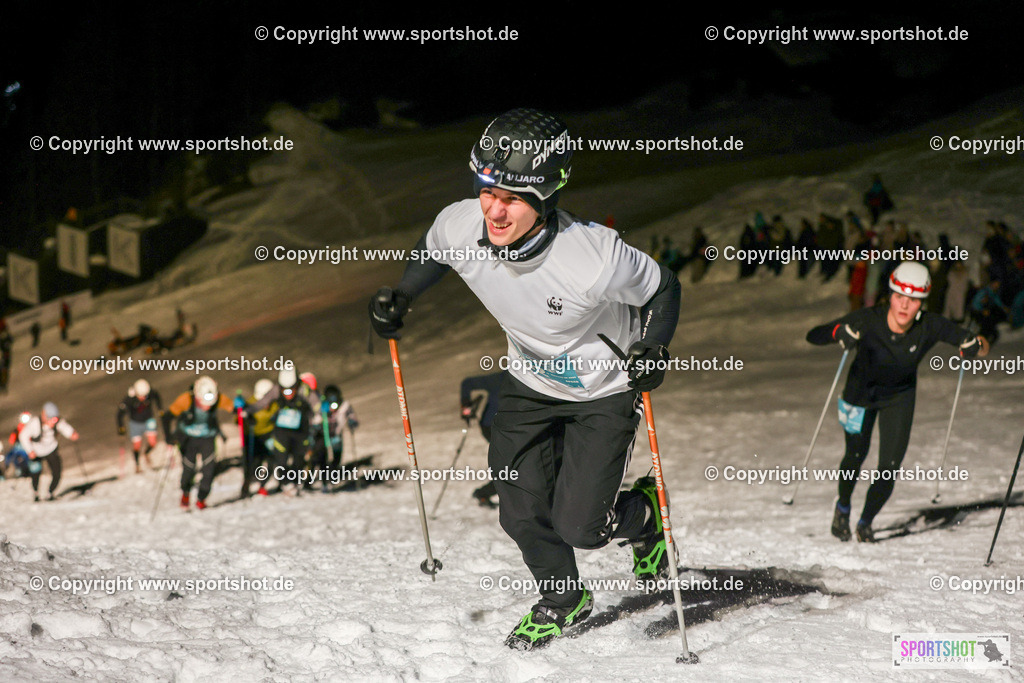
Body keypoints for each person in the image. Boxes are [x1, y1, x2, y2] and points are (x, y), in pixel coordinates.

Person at [368, 108, 681, 650]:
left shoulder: (592, 256)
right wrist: (404, 293)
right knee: (518, 507)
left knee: (581, 526)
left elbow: (663, 287)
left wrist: (652, 346)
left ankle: (646, 516)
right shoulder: (462, 222)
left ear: (544, 197)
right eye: (487, 189)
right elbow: (435, 248)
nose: (494, 208)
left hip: (602, 392)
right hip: (530, 386)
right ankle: (564, 599)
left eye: (512, 197)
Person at [806, 262, 986, 543]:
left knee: (889, 466)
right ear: (889, 295)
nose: (904, 306)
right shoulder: (868, 320)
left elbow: (980, 344)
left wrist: (975, 344)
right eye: (899, 297)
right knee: (855, 455)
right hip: (859, 396)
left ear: (921, 302)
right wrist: (837, 333)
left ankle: (865, 522)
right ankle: (843, 507)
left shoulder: (929, 325)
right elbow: (814, 334)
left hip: (899, 398)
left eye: (913, 300)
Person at [241, 368, 321, 495]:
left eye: (291, 389)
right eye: (284, 389)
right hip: (282, 430)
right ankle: (286, 483)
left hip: (301, 431)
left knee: (299, 460)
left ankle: (294, 483)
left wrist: (319, 415)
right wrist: (247, 409)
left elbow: (317, 405)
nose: (287, 393)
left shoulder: (304, 390)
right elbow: (262, 402)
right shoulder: (276, 389)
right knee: (280, 459)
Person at [162, 376, 235, 510]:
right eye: (203, 402)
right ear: (197, 396)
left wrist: (242, 410)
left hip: (208, 438)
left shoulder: (218, 397)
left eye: (210, 404)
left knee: (209, 470)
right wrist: (169, 437)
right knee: (189, 469)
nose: (207, 407)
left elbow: (233, 407)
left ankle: (201, 498)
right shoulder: (185, 399)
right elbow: (166, 417)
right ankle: (186, 493)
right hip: (188, 439)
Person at [459, 372, 505, 507]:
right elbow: (467, 383)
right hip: (492, 427)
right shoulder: (503, 377)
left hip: (513, 428)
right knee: (513, 465)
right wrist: (466, 404)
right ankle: (484, 493)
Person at [19, 402, 79, 502]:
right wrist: (30, 451)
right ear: (44, 415)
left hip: (51, 449)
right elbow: (23, 436)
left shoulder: (58, 422)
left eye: (55, 419)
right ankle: (36, 493)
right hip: (36, 452)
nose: (53, 422)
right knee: (35, 473)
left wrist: (72, 434)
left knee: (57, 472)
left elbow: (65, 428)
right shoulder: (34, 423)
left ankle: (50, 493)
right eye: (51, 419)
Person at [311, 385, 359, 492]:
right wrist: (316, 426)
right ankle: (325, 482)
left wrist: (352, 422)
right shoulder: (322, 407)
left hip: (336, 436)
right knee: (322, 458)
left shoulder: (345, 406)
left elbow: (352, 416)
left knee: (337, 458)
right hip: (323, 436)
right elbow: (315, 419)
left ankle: (331, 475)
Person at [116, 378, 163, 473]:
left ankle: (147, 453)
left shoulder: (150, 393)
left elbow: (157, 396)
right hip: (135, 422)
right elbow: (119, 414)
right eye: (141, 396)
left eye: (145, 396)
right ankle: (137, 464)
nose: (143, 398)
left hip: (149, 420)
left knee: (153, 442)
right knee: (137, 445)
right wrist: (121, 427)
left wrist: (160, 408)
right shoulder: (129, 399)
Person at [241, 378, 277, 498]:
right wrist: (245, 418)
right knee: (252, 463)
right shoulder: (250, 403)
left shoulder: (275, 405)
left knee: (271, 461)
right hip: (252, 437)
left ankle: (263, 486)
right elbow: (238, 419)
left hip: (268, 435)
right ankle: (246, 486)